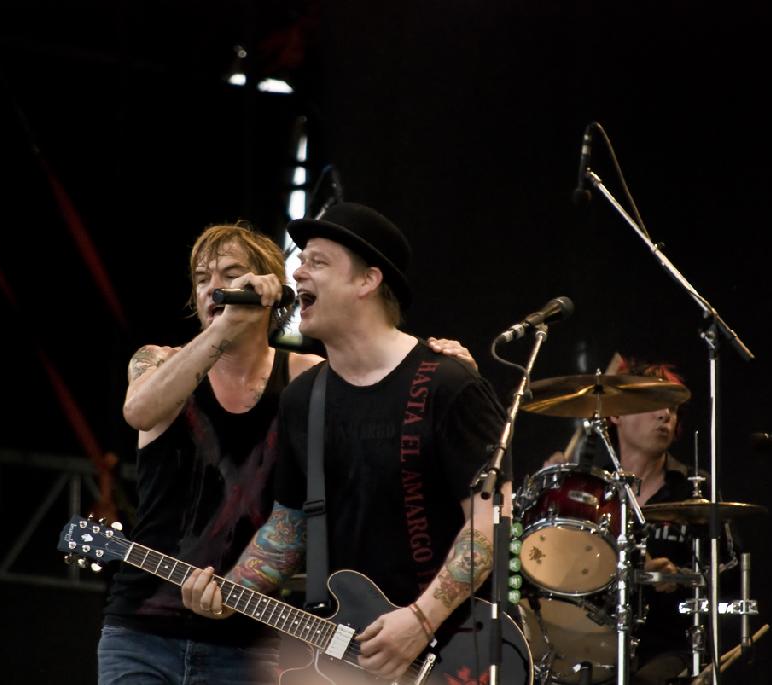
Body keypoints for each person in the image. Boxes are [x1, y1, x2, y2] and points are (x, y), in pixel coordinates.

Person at [101, 219, 476, 685]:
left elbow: (379, 391)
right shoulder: (158, 360)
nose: (212, 287)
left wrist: (444, 373)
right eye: (201, 279)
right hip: (142, 629)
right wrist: (225, 329)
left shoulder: (308, 379)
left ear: (270, 289)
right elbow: (138, 411)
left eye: (229, 274)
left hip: (250, 636)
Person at [181, 202, 514, 682]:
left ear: (368, 281)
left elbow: (492, 521)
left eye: (317, 261)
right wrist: (226, 593)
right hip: (352, 656)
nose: (297, 271)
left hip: (454, 653)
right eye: (300, 260)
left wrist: (420, 620)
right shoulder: (304, 399)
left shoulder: (447, 383)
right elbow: (289, 528)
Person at [542, 356, 739, 685]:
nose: (665, 415)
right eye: (653, 404)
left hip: (669, 649)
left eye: (672, 409)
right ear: (615, 415)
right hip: (589, 646)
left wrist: (685, 578)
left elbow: (729, 580)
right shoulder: (587, 493)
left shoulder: (696, 491)